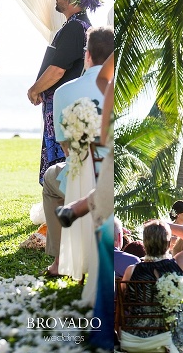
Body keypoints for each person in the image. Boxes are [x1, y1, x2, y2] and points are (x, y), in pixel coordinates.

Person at [40, 26, 113, 276]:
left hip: (80, 174)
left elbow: (64, 146)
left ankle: (60, 260)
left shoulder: (64, 91)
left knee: (51, 178)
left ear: (87, 55)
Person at [27, 0, 101, 184]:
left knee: (60, 166)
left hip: (64, 107)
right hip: (74, 104)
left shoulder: (75, 28)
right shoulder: (84, 26)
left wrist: (34, 89)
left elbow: (58, 69)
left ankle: (58, 212)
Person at [121, 221, 183, 353]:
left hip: (137, 340)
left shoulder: (131, 271)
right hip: (176, 340)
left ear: (145, 244)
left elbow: (124, 299)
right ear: (168, 244)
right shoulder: (181, 265)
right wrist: (169, 226)